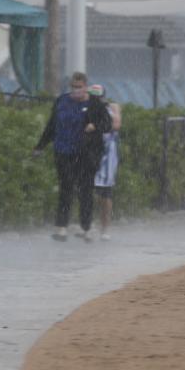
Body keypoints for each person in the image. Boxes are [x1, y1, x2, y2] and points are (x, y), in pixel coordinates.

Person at [34, 72, 112, 243]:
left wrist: (95, 125)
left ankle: (86, 227)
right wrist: (40, 146)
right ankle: (61, 227)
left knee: (85, 191)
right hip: (63, 151)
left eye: (79, 87)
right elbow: (51, 125)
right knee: (66, 187)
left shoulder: (94, 104)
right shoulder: (62, 101)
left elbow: (107, 124)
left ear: (86, 87)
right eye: (73, 87)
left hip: (86, 153)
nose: (76, 90)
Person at [90, 84, 121, 241]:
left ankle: (105, 228)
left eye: (98, 97)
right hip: (91, 153)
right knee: (89, 190)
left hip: (108, 156)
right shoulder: (87, 109)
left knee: (105, 193)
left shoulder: (111, 108)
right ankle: (90, 224)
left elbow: (115, 125)